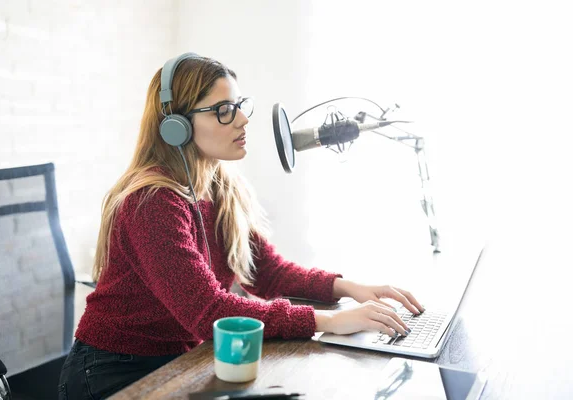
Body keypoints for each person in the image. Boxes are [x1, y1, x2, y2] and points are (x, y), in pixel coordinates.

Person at [57, 53, 425, 399]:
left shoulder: (218, 186)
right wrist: (328, 320)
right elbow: (208, 312)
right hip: (112, 371)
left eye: (239, 106)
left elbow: (267, 271)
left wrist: (349, 287)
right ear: (176, 127)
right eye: (223, 111)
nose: (243, 120)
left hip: (179, 360)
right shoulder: (153, 201)